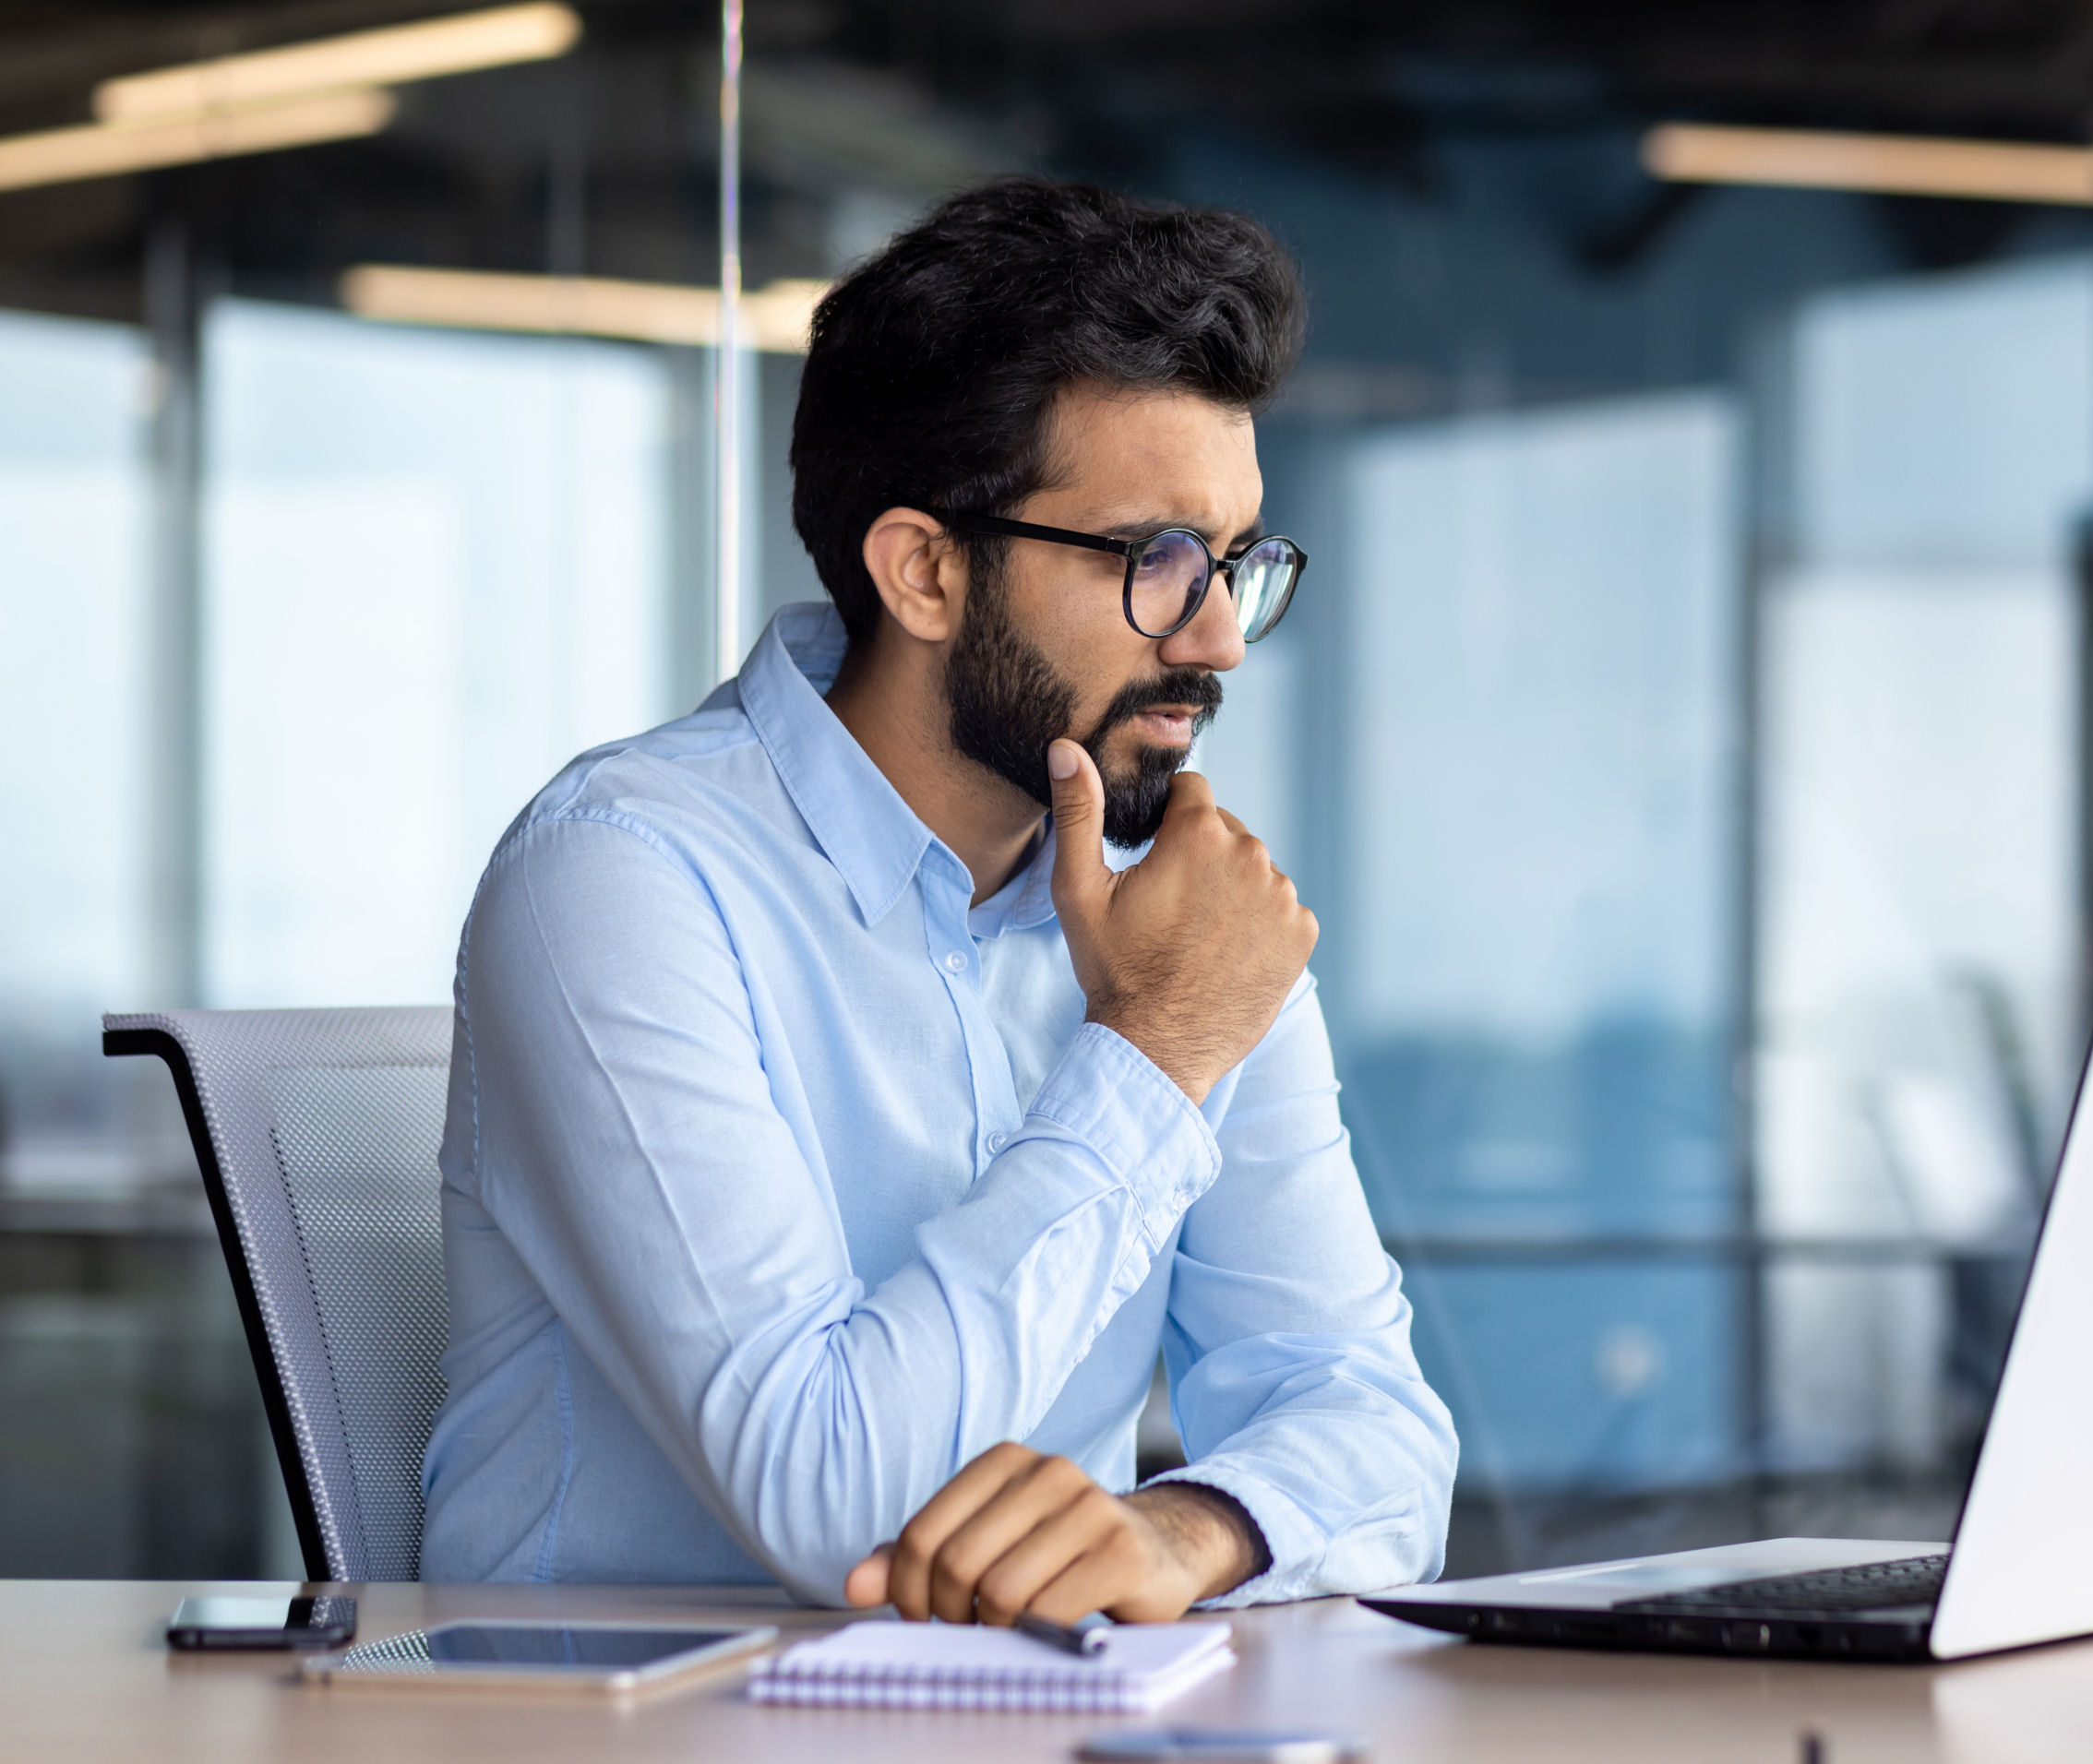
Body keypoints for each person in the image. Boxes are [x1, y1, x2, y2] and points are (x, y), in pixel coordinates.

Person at [419, 179, 1459, 1620]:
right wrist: (1150, 1055)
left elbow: (1379, 1432)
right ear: (922, 571)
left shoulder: (1186, 916)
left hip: (1008, 1717)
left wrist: (1187, 1531)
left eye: (1232, 562)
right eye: (1156, 561)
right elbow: (835, 1502)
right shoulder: (619, 877)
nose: (1219, 635)